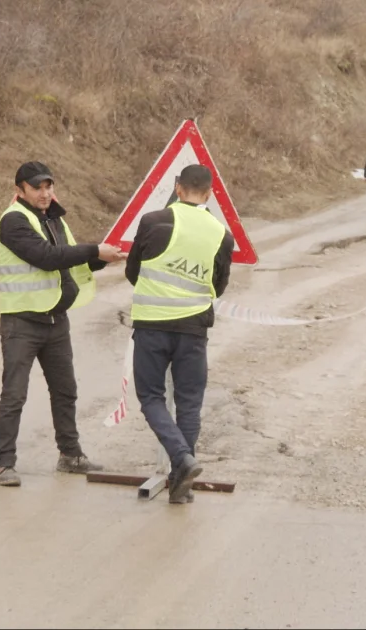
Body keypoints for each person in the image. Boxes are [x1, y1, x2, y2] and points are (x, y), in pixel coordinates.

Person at [0, 161, 126, 487]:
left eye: (48, 186)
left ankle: (70, 455)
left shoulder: (53, 218)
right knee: (14, 394)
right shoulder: (13, 221)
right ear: (19, 190)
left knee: (66, 391)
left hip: (55, 319)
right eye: (37, 187)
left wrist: (103, 256)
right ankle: (3, 463)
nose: (45, 192)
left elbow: (67, 256)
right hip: (22, 321)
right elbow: (47, 257)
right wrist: (95, 249)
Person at [125, 164, 234, 504]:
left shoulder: (153, 222)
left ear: (177, 187)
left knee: (151, 397)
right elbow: (218, 285)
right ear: (210, 192)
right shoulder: (221, 234)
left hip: (152, 325)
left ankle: (182, 459)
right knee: (189, 403)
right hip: (193, 329)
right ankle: (179, 486)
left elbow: (133, 272)